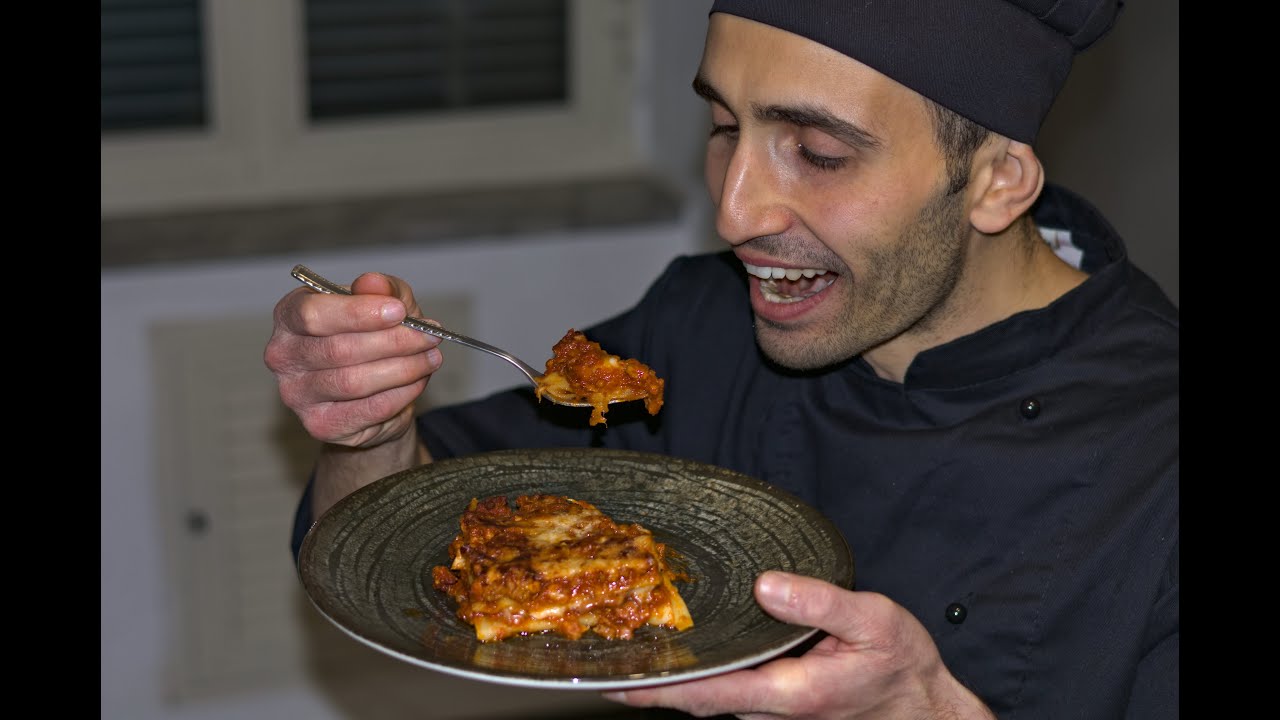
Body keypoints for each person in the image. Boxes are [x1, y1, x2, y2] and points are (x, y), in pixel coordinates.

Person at [265, 0, 1178, 717]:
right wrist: (369, 435)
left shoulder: (1156, 456)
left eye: (817, 153)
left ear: (997, 182)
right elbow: (394, 544)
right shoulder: (697, 325)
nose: (736, 213)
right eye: (723, 128)